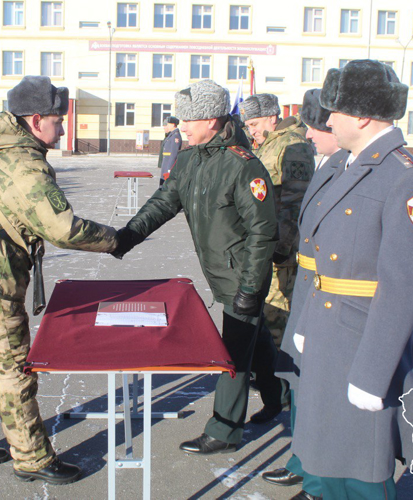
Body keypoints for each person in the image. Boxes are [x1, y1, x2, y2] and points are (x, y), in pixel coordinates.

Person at [0, 75, 118, 484]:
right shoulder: (24, 163)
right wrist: (113, 239)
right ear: (36, 120)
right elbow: (62, 228)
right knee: (14, 369)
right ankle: (32, 457)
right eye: (58, 119)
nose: (62, 127)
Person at [291, 59, 413, 499]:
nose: (328, 118)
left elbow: (403, 286)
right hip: (326, 328)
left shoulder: (409, 178)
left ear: (360, 115)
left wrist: (373, 375)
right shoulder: (349, 165)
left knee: (361, 467)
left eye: (335, 110)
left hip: (361, 339)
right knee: (323, 451)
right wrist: (305, 325)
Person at [112, 79, 278, 455]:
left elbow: (263, 231)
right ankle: (279, 392)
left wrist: (251, 288)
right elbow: (163, 203)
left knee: (232, 353)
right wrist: (126, 237)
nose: (182, 127)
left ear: (215, 121)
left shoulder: (244, 166)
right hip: (219, 270)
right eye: (182, 119)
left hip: (243, 275)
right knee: (257, 340)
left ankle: (224, 430)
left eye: (191, 119)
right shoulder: (189, 160)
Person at [260, 88, 348, 500]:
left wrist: (278, 251)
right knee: (296, 371)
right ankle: (304, 459)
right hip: (307, 279)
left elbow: (293, 209)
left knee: (308, 375)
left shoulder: (338, 161)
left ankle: (314, 465)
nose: (309, 135)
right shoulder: (333, 161)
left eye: (316, 127)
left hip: (313, 283)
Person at [239, 93, 316, 425]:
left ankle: (289, 399)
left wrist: (281, 248)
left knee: (278, 322)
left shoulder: (293, 145)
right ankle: (277, 394)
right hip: (265, 249)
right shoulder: (268, 143)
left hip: (280, 254)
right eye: (247, 125)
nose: (251, 131)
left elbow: (294, 204)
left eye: (254, 124)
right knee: (266, 322)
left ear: (273, 117)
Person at [157, 116, 181, 186]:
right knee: (163, 185)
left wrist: (169, 169)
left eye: (168, 124)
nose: (166, 126)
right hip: (166, 164)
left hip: (168, 165)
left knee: (166, 186)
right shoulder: (171, 135)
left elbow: (174, 154)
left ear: (173, 124)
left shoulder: (175, 136)